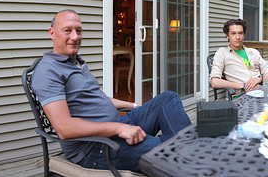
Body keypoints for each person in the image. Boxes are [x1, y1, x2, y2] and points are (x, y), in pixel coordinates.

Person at [32, 9, 191, 173]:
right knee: (172, 150)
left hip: (118, 125)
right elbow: (64, 129)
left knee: (168, 99)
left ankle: (190, 151)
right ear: (52, 33)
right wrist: (117, 128)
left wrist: (135, 106)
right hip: (95, 147)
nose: (75, 37)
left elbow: (99, 98)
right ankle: (191, 155)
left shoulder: (74, 62)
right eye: (67, 30)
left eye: (78, 31)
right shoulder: (48, 71)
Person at [210, 19, 268, 93]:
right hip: (241, 95)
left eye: (240, 33)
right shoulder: (222, 53)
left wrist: (260, 79)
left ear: (244, 35)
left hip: (261, 90)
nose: (237, 37)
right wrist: (243, 86)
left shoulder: (253, 52)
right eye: (233, 33)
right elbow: (214, 82)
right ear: (227, 35)